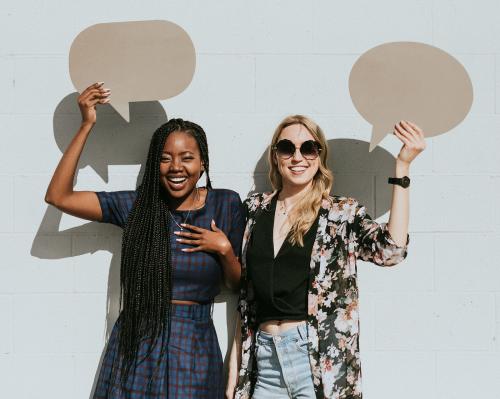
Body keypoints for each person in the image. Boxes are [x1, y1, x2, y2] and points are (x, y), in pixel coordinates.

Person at [45, 82, 246, 398]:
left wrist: (224, 250)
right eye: (165, 158)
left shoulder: (226, 204)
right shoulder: (138, 207)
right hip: (138, 339)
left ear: (203, 162)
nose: (176, 167)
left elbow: (236, 284)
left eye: (187, 157)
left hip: (194, 341)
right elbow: (59, 196)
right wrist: (86, 124)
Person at [225, 115, 425, 399]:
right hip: (265, 361)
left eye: (308, 148)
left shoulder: (340, 213)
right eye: (287, 148)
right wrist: (235, 368)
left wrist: (402, 168)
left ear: (319, 156)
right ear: (276, 156)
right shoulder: (255, 210)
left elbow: (391, 251)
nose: (298, 157)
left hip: (317, 360)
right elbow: (245, 299)